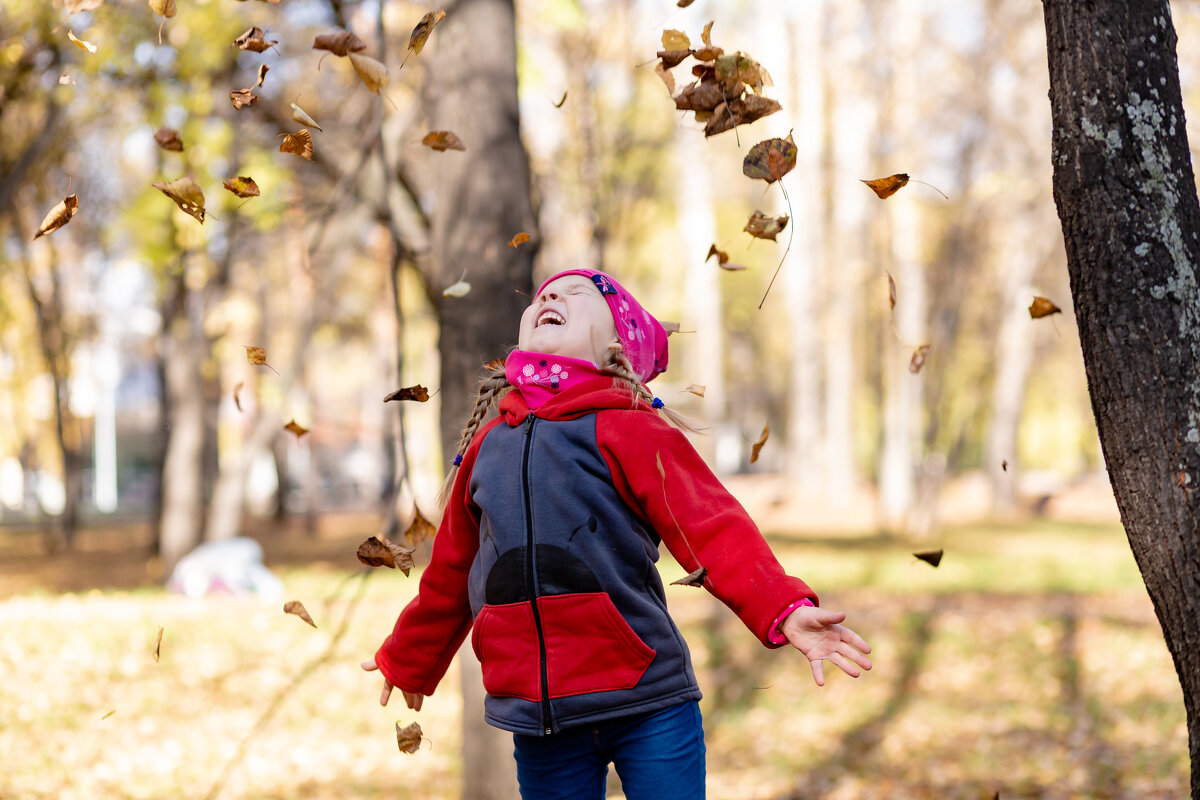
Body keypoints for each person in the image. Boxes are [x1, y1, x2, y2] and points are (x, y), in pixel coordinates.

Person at [362, 269, 872, 800]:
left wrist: (783, 607)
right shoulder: (489, 447)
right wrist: (413, 656)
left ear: (614, 345)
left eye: (576, 294)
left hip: (647, 700)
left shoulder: (628, 426)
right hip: (540, 719)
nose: (552, 296)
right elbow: (452, 570)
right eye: (542, 296)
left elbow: (712, 526)